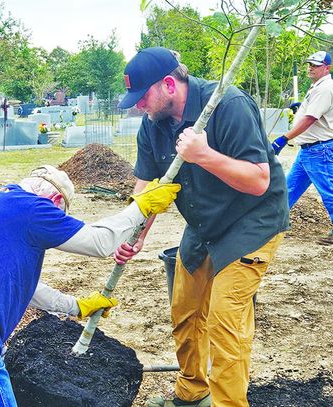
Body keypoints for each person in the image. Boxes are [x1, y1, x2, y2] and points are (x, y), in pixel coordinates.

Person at [0, 164, 180, 407]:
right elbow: (100, 242)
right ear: (55, 200)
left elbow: (23, 287)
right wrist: (139, 208)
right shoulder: (34, 208)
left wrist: (76, 306)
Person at [115, 47, 289, 407]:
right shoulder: (153, 125)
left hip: (251, 222)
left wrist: (204, 155)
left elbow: (258, 180)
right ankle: (192, 391)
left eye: (142, 97)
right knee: (185, 312)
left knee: (225, 324)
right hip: (204, 224)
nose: (139, 106)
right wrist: (133, 234)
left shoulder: (228, 105)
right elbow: (148, 185)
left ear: (168, 85)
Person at [271, 51, 333, 245]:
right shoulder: (318, 87)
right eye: (309, 64)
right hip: (308, 150)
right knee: (289, 188)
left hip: (318, 150)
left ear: (327, 67)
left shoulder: (325, 88)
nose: (310, 68)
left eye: (315, 65)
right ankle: (273, 225)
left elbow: (311, 119)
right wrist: (302, 107)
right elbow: (312, 114)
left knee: (328, 192)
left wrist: (283, 138)